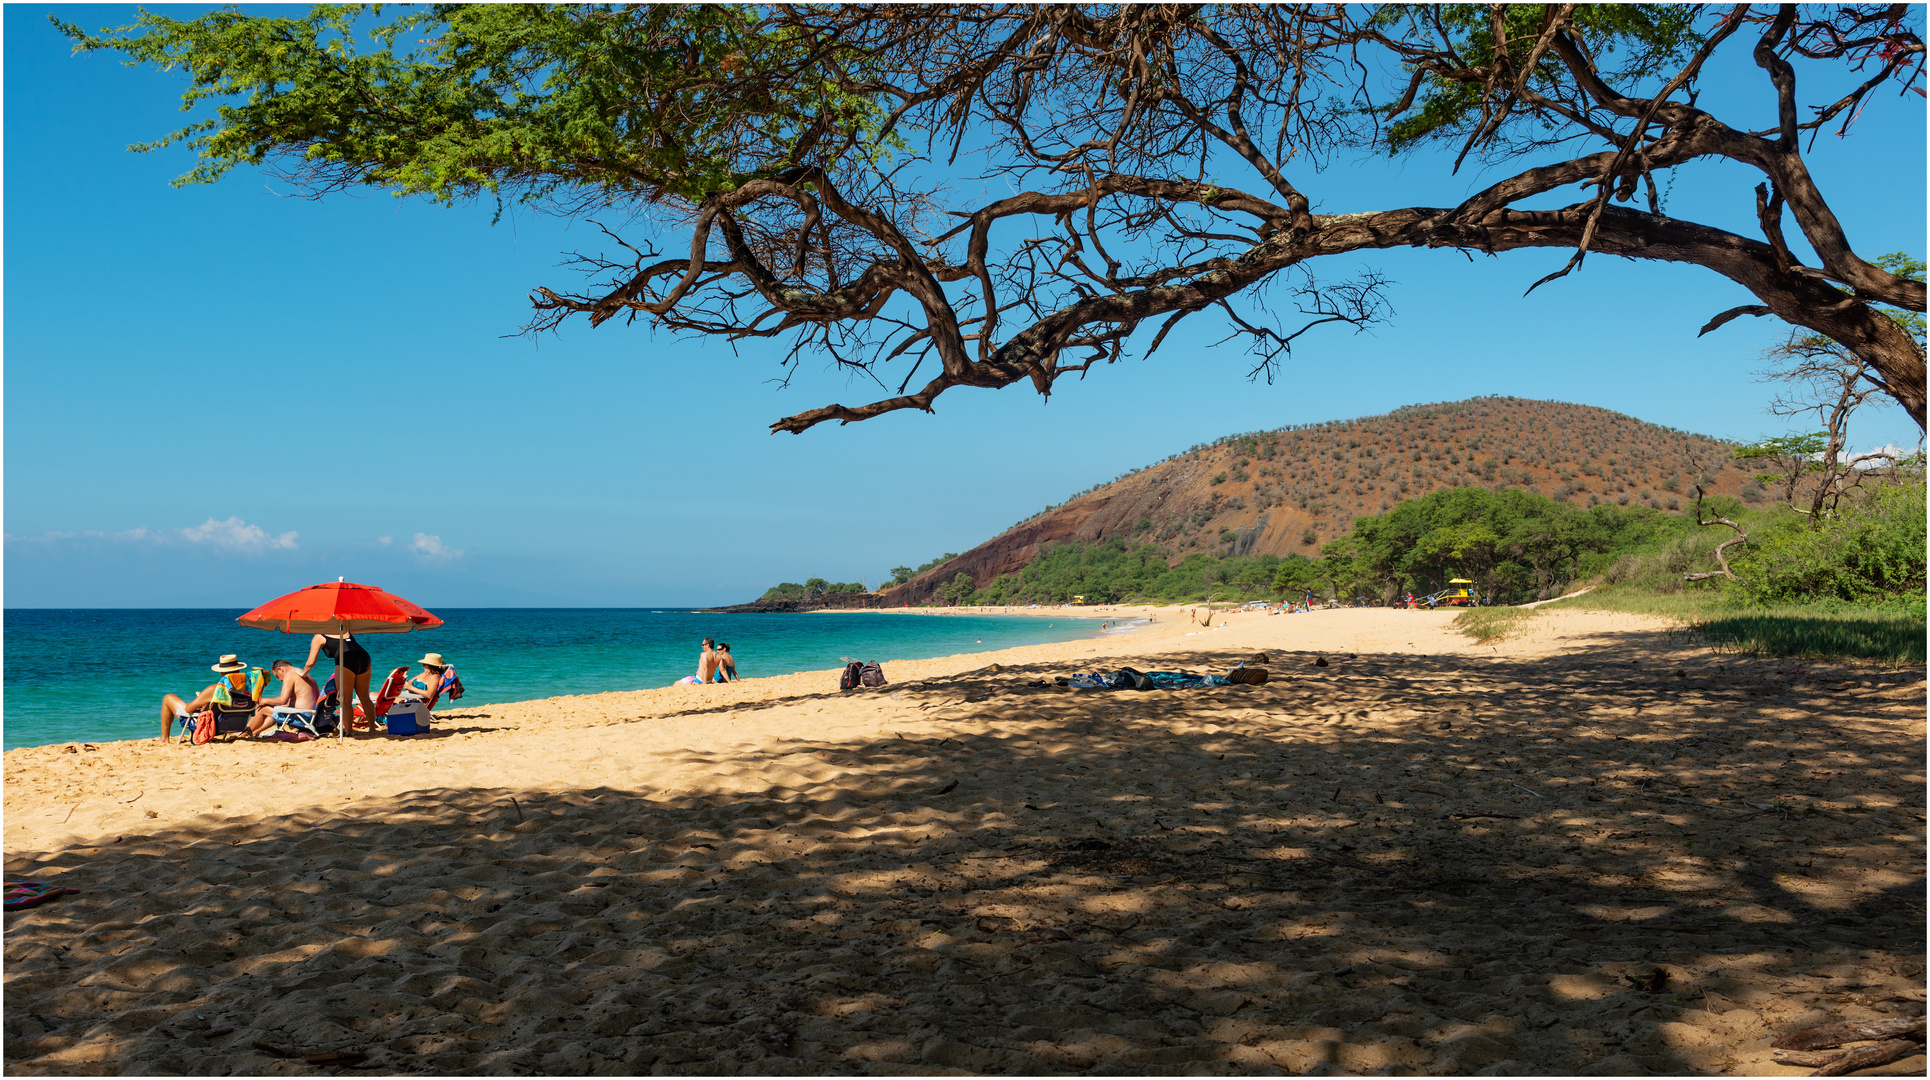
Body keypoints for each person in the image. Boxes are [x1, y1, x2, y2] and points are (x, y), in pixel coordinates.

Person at [159, 655, 253, 743]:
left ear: (221, 673)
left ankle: (164, 739)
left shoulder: (214, 689)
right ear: (238, 671)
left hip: (210, 727)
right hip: (234, 726)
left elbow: (188, 709)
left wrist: (201, 699)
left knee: (168, 698)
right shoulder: (247, 690)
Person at [302, 633, 378, 722]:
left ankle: (348, 732)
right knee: (365, 698)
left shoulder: (318, 636)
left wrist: (303, 674)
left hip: (346, 658)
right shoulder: (344, 630)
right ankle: (372, 730)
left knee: (345, 700)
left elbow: (310, 662)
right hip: (364, 657)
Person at [249, 660, 321, 736]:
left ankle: (245, 731)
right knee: (273, 710)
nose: (280, 680)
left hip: (302, 718)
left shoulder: (290, 675)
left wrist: (263, 700)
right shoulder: (306, 675)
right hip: (312, 717)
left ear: (280, 669)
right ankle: (255, 732)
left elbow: (282, 700)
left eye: (277, 676)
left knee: (262, 709)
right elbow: (287, 703)